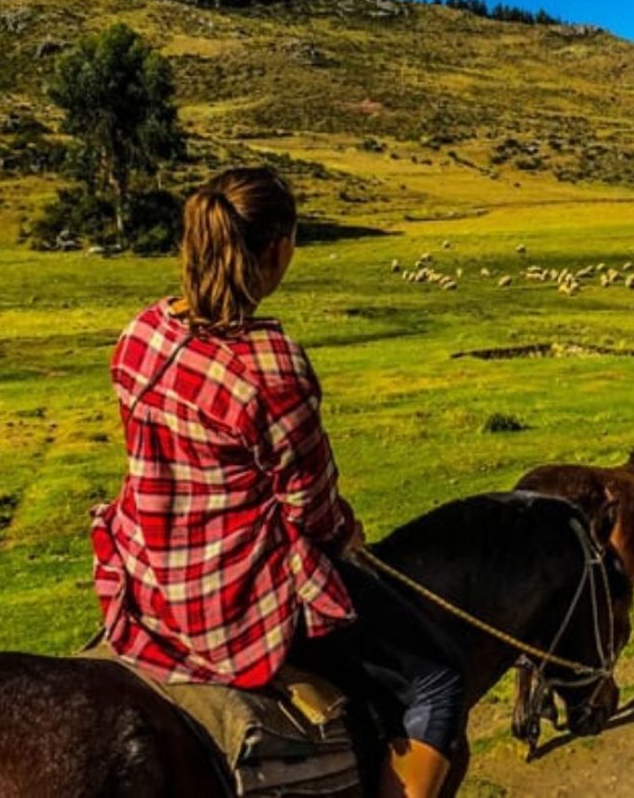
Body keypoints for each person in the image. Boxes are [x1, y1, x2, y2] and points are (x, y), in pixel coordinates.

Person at [91, 166, 464, 798]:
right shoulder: (271, 367)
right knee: (440, 680)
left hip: (148, 574)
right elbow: (312, 510)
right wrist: (348, 531)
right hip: (230, 598)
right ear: (276, 251)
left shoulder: (142, 332)